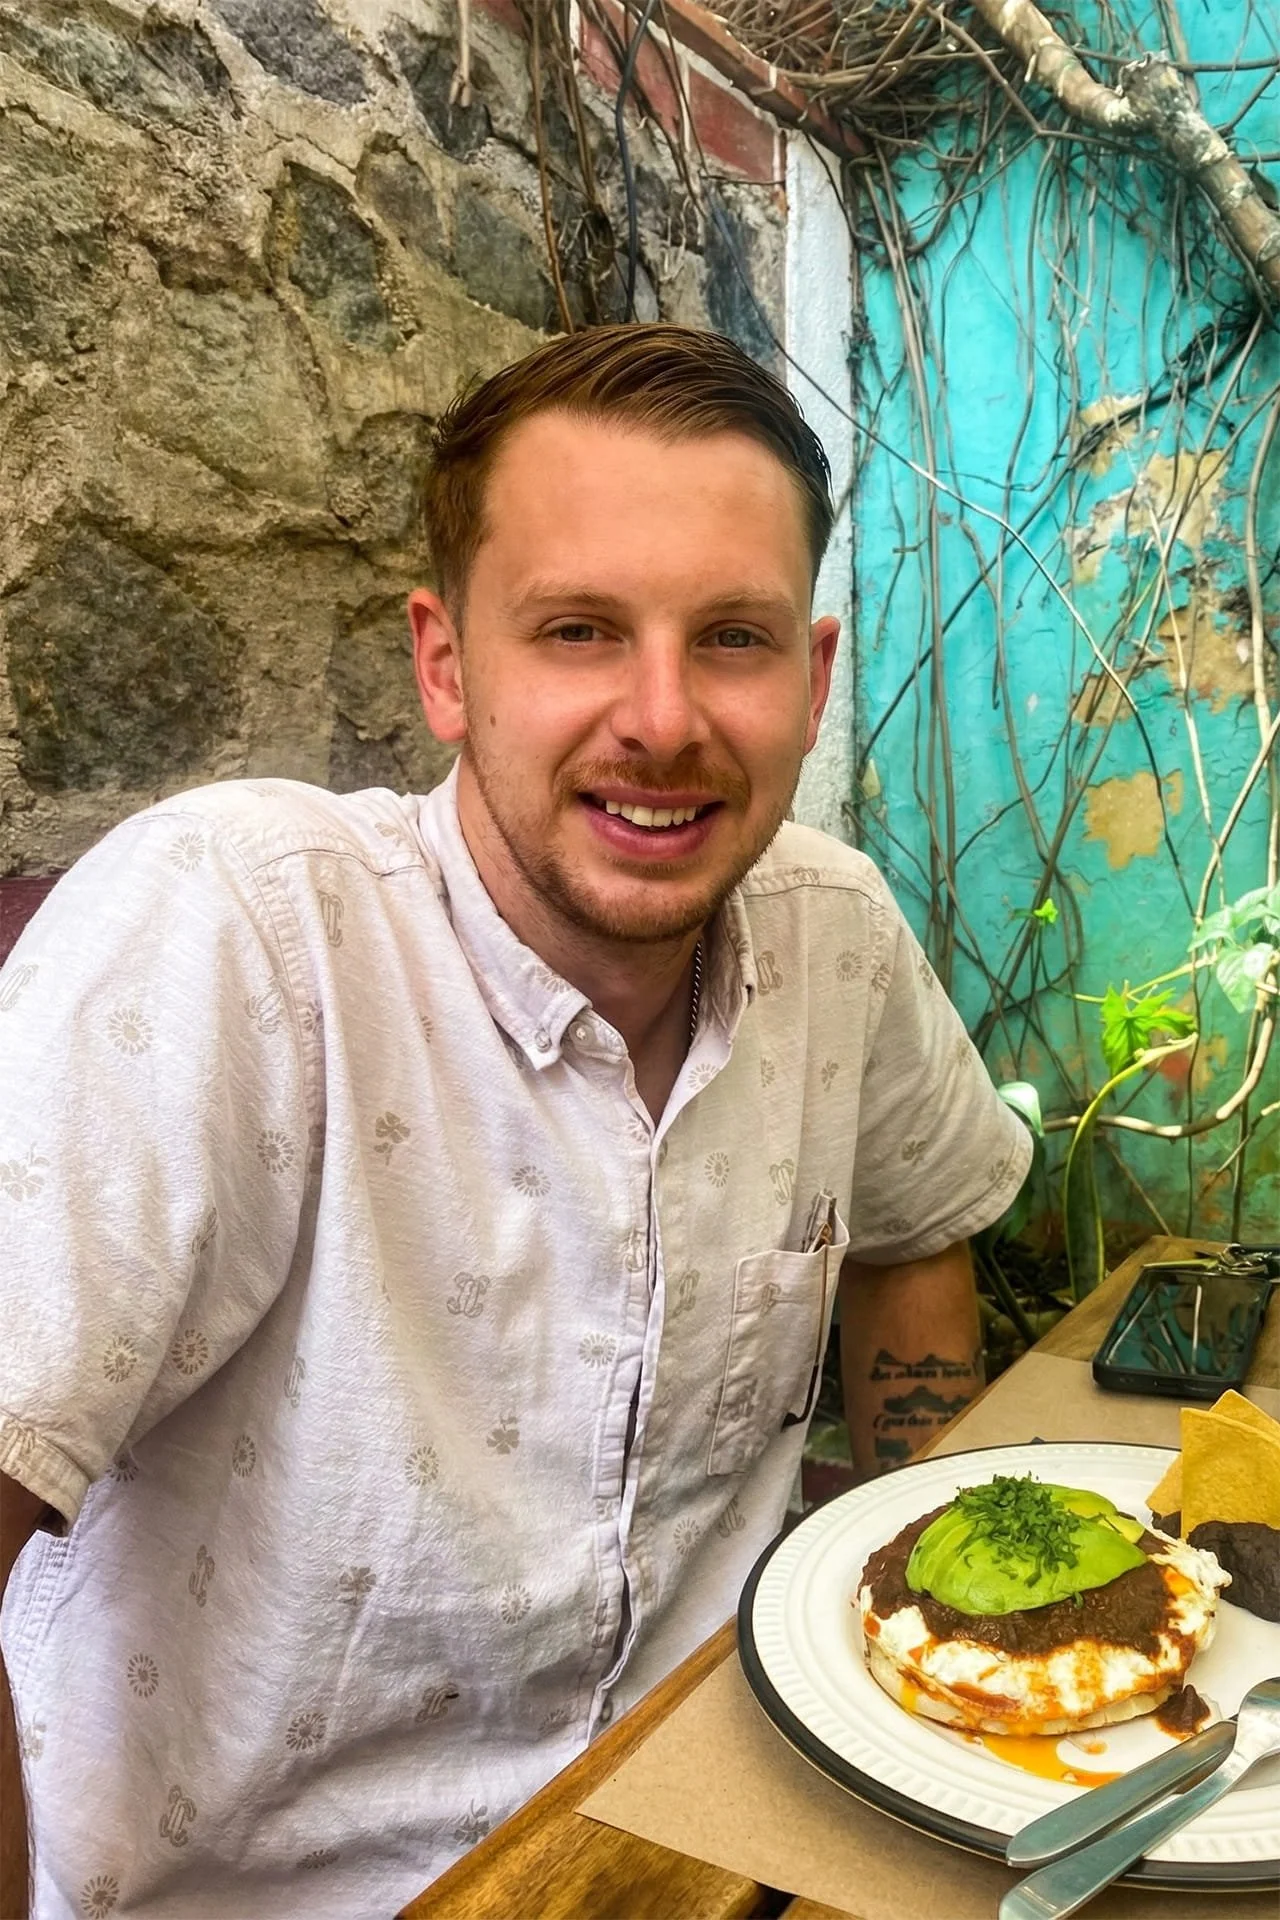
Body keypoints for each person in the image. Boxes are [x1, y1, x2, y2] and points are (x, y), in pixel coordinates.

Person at [0, 324, 1029, 1917]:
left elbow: (916, 1234)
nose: (665, 717)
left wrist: (936, 1649)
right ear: (445, 665)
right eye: (578, 631)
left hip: (723, 1827)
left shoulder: (837, 929)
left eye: (735, 639)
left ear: (815, 682)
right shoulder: (235, 937)